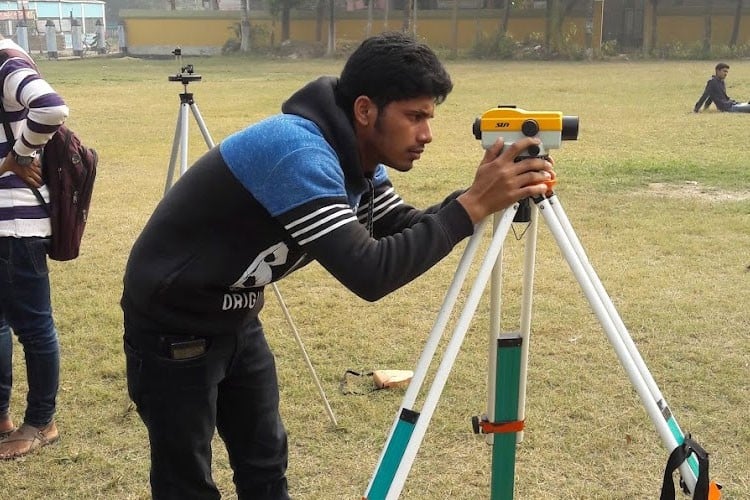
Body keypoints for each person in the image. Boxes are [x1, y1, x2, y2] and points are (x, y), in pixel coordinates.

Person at [121, 31, 554, 500]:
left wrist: (482, 196)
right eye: (415, 117)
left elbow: (399, 225)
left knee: (265, 460)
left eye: (429, 117)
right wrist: (470, 205)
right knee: (186, 480)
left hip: (235, 316)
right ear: (365, 110)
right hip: (172, 323)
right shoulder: (298, 152)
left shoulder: (359, 159)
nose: (427, 133)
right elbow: (369, 272)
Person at [0, 36, 69, 458]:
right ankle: (2, 416)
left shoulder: (5, 61)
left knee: (34, 327)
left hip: (16, 227)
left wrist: (20, 155)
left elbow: (50, 105)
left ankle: (42, 421)